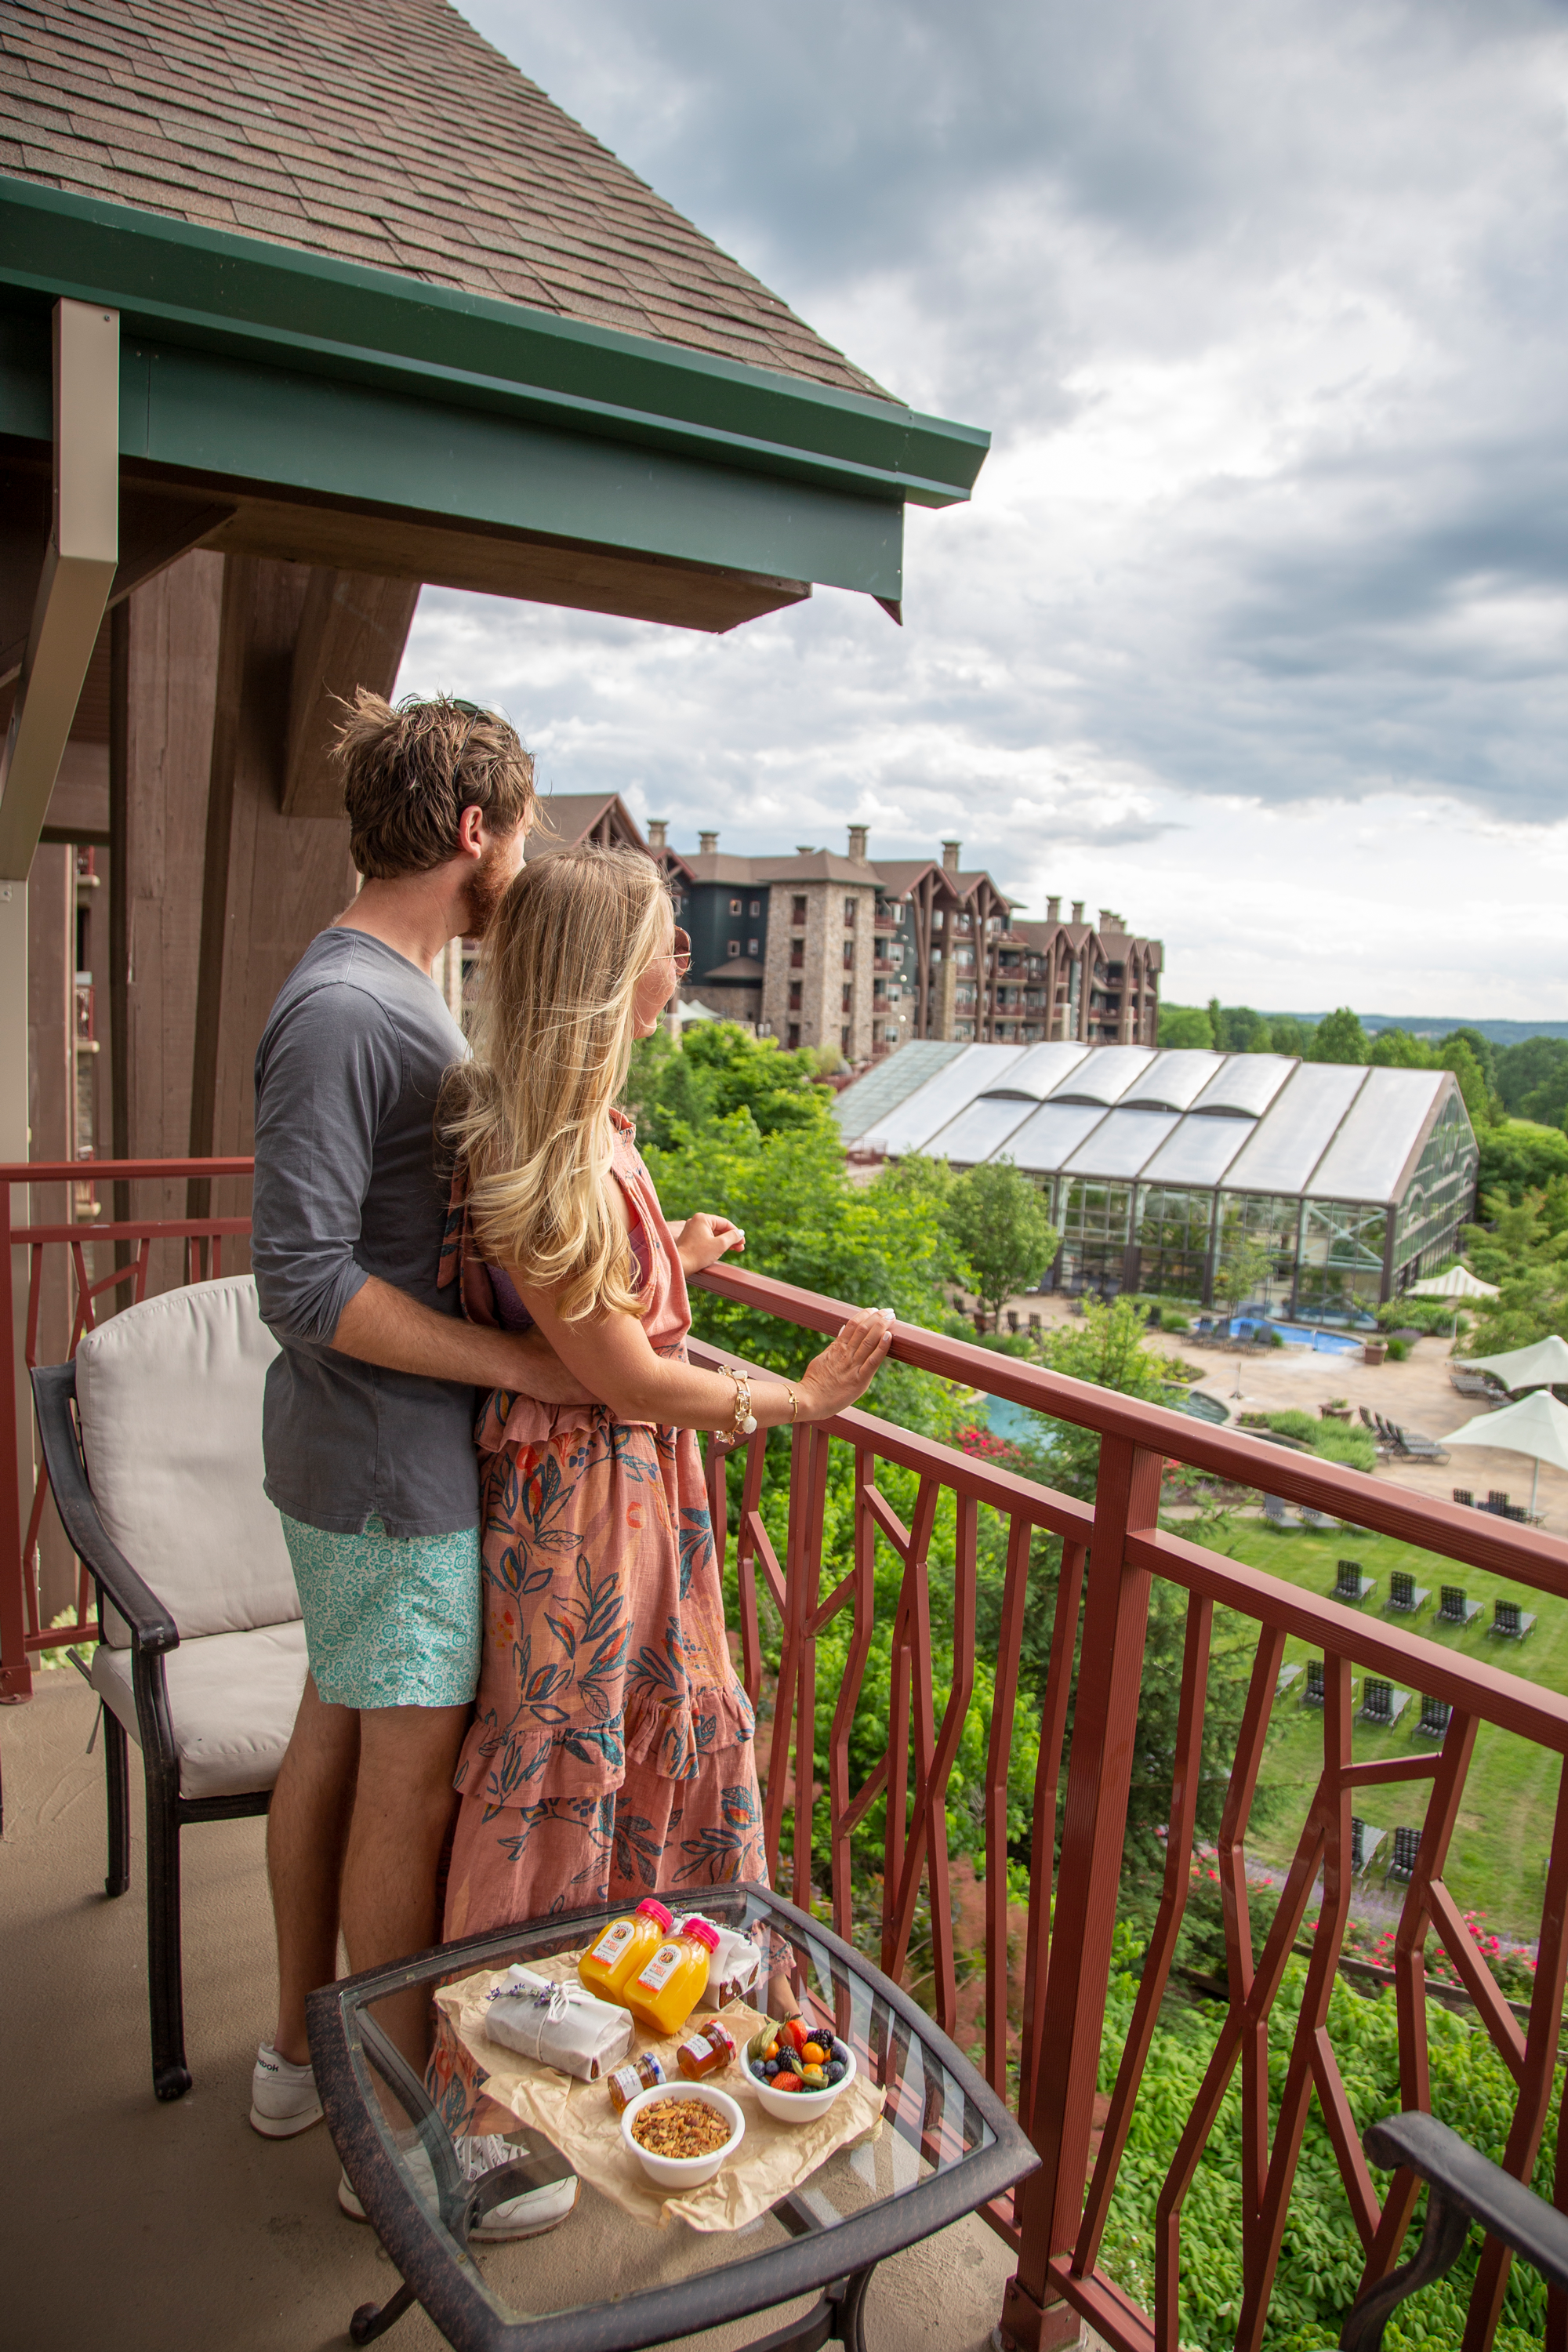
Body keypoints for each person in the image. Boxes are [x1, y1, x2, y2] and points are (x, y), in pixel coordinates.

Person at [425, 844, 893, 2137]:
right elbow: (624, 1378)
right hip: (590, 1509)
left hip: (607, 1499)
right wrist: (796, 1399)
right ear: (604, 973)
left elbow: (588, 1318)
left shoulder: (555, 1127)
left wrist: (667, 1253)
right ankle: (487, 2116)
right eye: (663, 943)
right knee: (578, 1757)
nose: (679, 964)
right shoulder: (555, 1148)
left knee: (617, 1748)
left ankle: (616, 2051)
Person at [248, 691, 585, 2236]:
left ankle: (292, 2055)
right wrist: (522, 1362)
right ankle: (396, 2146)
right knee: (404, 1791)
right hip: (385, 1465)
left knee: (336, 1731)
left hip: (359, 1459)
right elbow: (304, 1276)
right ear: (473, 833)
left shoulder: (380, 988)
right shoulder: (349, 1008)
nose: (524, 853)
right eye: (521, 827)